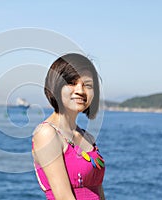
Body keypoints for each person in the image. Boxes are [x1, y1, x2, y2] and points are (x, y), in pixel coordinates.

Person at [32, 53, 105, 200]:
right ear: (56, 86)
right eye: (72, 82)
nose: (80, 91)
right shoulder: (47, 133)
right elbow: (64, 197)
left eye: (88, 85)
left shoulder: (87, 137)